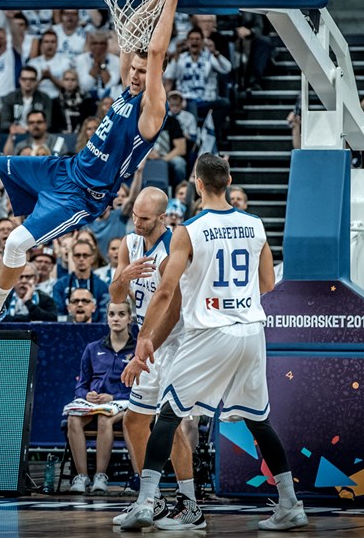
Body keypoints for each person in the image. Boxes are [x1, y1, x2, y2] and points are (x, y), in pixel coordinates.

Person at [0, 0, 186, 340]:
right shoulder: (129, 88)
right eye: (135, 70)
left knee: (15, 243)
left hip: (82, 196)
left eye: (144, 72)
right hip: (66, 168)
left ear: (157, 75)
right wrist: (151, 1)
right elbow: (129, 37)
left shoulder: (152, 110)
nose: (136, 74)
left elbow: (155, 53)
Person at [120, 154, 308, 532]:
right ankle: (290, 504)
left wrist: (143, 339)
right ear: (229, 181)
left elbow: (165, 291)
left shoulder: (190, 229)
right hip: (251, 330)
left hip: (210, 331)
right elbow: (268, 283)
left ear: (198, 184)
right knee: (258, 421)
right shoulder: (254, 224)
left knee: (168, 413)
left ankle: (145, 503)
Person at [108, 187, 195, 528]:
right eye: (134, 216)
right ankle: (153, 499)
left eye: (144, 218)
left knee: (168, 424)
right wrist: (123, 277)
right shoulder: (129, 244)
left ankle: (189, 503)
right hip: (148, 342)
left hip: (175, 343)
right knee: (133, 420)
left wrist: (144, 349)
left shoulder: (172, 250)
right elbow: (116, 297)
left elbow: (172, 313)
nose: (137, 222)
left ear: (162, 217)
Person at [65, 299, 137, 495]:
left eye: (121, 314)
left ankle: (100, 476)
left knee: (105, 419)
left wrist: (113, 396)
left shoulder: (138, 350)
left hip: (124, 402)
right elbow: (81, 385)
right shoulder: (92, 348)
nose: (116, 319)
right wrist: (87, 394)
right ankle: (82, 476)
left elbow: (143, 388)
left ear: (130, 319)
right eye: (112, 314)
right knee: (73, 418)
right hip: (94, 403)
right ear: (106, 318)